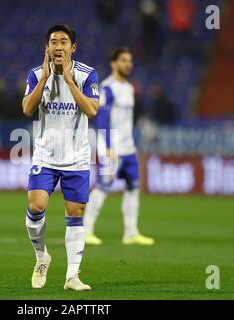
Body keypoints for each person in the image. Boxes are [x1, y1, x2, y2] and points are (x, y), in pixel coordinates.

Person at [22, 25, 99, 291]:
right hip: (45, 156)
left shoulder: (86, 74)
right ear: (47, 48)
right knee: (35, 206)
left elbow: (91, 110)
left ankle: (72, 277)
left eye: (63, 42)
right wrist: (44, 79)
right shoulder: (35, 74)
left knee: (75, 213)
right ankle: (42, 256)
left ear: (72, 48)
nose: (58, 46)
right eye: (53, 41)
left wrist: (68, 80)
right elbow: (27, 109)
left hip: (76, 156)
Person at [84, 47, 155, 246]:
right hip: (111, 147)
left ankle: (131, 233)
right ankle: (86, 231)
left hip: (129, 147)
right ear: (113, 63)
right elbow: (103, 118)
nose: (128, 64)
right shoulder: (107, 88)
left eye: (130, 60)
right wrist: (107, 146)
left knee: (133, 188)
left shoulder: (130, 88)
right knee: (103, 187)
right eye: (124, 60)